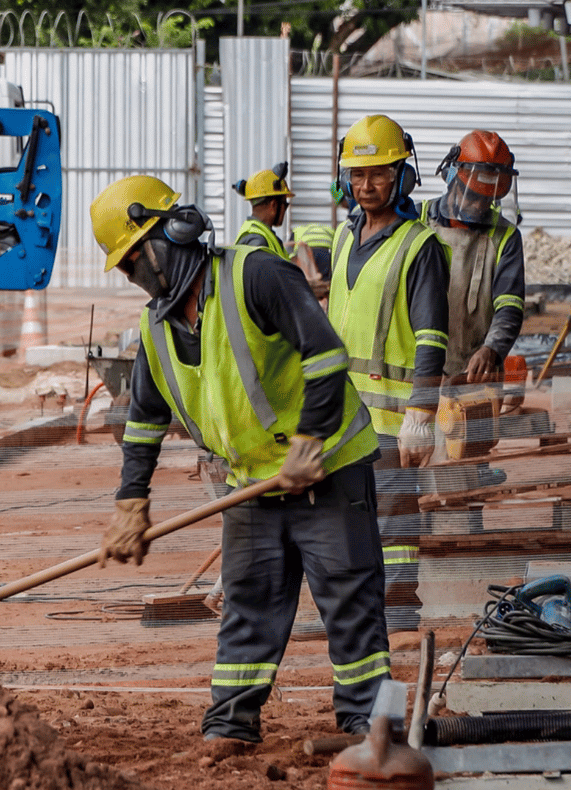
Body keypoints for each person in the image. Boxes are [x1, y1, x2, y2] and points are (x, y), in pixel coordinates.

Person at [89, 175, 389, 746]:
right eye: (126, 268)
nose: (137, 277)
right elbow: (145, 420)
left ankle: (366, 723)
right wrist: (131, 501)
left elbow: (325, 356)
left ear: (175, 232)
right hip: (252, 484)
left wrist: (310, 440)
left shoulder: (256, 274)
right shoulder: (156, 329)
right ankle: (232, 723)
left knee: (349, 599)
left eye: (137, 258)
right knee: (248, 604)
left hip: (326, 471)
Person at [328, 115, 449, 634]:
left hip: (395, 420)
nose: (366, 186)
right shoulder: (340, 238)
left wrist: (421, 413)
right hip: (343, 414)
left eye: (378, 173)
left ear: (402, 175)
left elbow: (431, 338)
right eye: (357, 175)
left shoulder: (419, 246)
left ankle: (397, 612)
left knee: (396, 524)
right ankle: (358, 612)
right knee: (347, 521)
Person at [425, 130, 525, 384]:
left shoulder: (505, 237)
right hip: (419, 373)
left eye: (489, 200)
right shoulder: (418, 222)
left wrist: (491, 349)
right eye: (474, 196)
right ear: (452, 179)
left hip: (475, 374)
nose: (480, 206)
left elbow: (509, 305)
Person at [232, 163, 294, 258]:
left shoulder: (260, 235)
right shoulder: (258, 242)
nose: (285, 210)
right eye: (285, 205)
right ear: (273, 205)